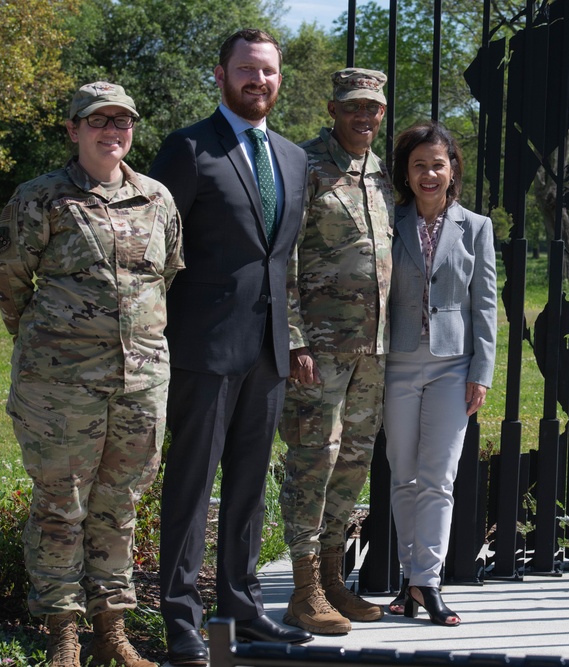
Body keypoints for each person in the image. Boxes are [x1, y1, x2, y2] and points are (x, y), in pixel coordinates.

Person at [0, 81, 184, 667]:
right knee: (60, 503)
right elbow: (11, 282)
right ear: (74, 130)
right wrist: (56, 346)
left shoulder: (157, 199)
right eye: (99, 122)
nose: (112, 132)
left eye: (122, 122)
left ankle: (111, 628)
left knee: (119, 504)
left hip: (141, 380)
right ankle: (62, 630)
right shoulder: (40, 198)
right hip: (59, 386)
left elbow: (164, 275)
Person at [148, 29, 313, 665]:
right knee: (191, 491)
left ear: (279, 78)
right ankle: (182, 620)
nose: (258, 81)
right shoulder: (188, 149)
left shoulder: (294, 160)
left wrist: (291, 340)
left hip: (267, 352)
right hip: (203, 349)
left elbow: (283, 260)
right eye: (246, 70)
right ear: (220, 75)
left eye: (268, 71)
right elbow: (157, 252)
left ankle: (242, 607)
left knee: (248, 489)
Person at [277, 67, 393, 636]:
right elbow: (285, 259)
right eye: (353, 107)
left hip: (372, 352)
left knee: (351, 465)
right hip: (317, 352)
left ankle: (331, 578)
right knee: (311, 461)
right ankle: (303, 589)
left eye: (372, 108)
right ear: (333, 109)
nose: (364, 117)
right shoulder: (304, 167)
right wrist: (295, 339)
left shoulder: (380, 174)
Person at [384, 121, 498, 627]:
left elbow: (486, 305)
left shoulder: (476, 227)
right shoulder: (388, 221)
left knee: (439, 479)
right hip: (398, 364)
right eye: (418, 165)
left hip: (454, 367)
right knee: (403, 475)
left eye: (438, 163)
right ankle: (411, 582)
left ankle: (428, 582)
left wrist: (483, 370)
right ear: (406, 174)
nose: (429, 173)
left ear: (452, 170)